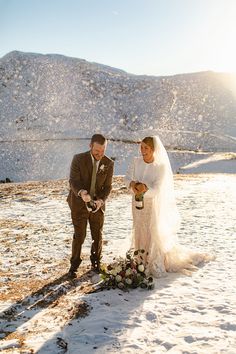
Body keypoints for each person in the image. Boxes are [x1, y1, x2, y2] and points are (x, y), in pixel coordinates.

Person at [125, 136, 213, 277]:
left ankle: (150, 260)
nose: (142, 151)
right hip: (136, 204)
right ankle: (139, 258)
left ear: (153, 150)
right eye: (141, 147)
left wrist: (145, 189)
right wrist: (133, 185)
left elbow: (158, 189)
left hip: (152, 205)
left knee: (151, 230)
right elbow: (127, 178)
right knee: (138, 228)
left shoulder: (160, 167)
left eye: (146, 148)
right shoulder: (136, 162)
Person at [67, 134, 114, 278]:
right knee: (80, 236)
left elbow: (107, 187)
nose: (99, 155)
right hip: (79, 203)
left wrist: (100, 201)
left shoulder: (109, 163)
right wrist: (82, 193)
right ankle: (74, 266)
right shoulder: (78, 159)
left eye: (103, 151)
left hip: (97, 206)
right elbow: (73, 181)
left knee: (97, 235)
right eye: (96, 151)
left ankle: (96, 263)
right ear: (90, 146)